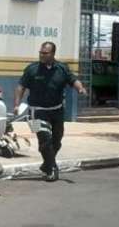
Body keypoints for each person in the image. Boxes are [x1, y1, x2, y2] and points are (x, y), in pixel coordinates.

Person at [14, 41, 87, 182]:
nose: (41, 55)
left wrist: (80, 88)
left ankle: (46, 164)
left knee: (57, 141)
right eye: (40, 52)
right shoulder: (32, 69)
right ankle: (52, 169)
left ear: (52, 54)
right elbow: (20, 87)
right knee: (44, 139)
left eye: (45, 53)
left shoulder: (62, 68)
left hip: (57, 111)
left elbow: (73, 80)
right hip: (36, 112)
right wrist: (16, 105)